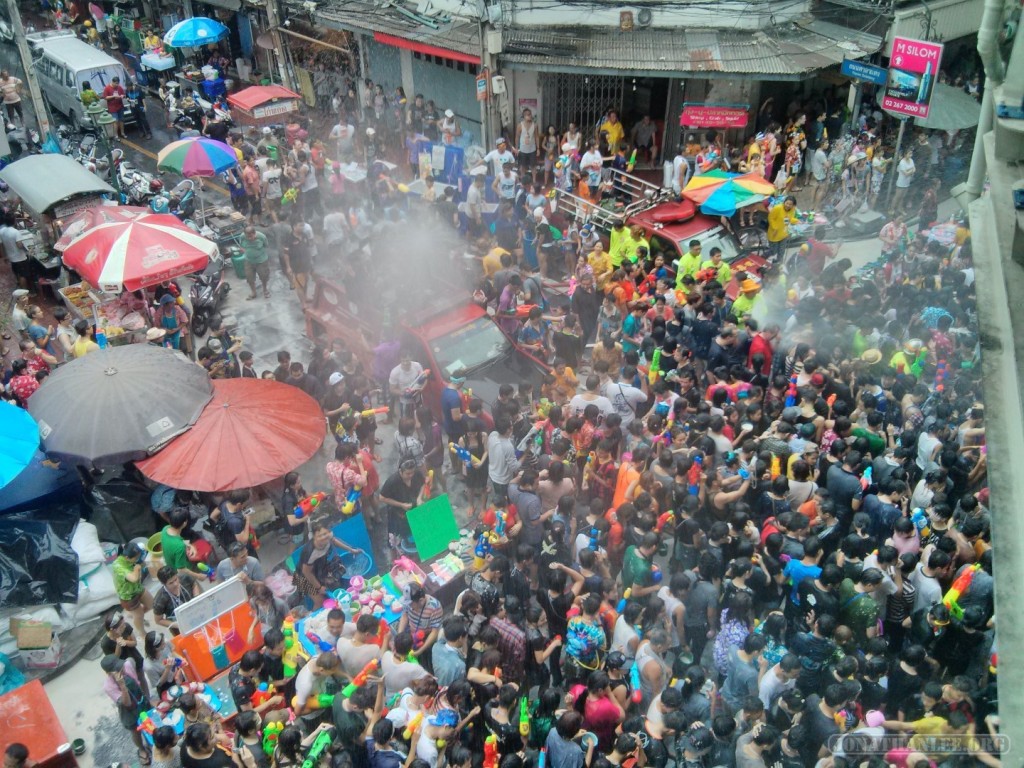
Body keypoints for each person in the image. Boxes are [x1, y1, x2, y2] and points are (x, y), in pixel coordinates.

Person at [101, 654, 153, 766]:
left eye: (121, 666)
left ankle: (152, 742)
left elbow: (137, 683)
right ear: (109, 673)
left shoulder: (127, 665)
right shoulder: (108, 686)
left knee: (149, 721)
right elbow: (127, 703)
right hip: (128, 709)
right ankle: (141, 749)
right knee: (136, 730)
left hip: (140, 699)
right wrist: (122, 686)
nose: (122, 669)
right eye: (118, 670)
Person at [111, 541, 154, 640]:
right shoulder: (118, 566)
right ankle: (142, 633)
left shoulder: (131, 558)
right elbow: (133, 578)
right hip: (128, 595)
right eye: (136, 558)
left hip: (137, 588)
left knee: (152, 604)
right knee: (139, 615)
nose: (138, 559)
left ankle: (136, 617)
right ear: (127, 558)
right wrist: (137, 568)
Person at [240, 225, 271, 300]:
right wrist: (244, 250)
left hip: (261, 261)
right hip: (249, 260)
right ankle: (253, 292)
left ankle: (265, 290)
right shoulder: (242, 237)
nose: (249, 238)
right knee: (249, 277)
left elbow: (266, 245)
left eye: (251, 236)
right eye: (247, 237)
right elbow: (241, 245)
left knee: (264, 276)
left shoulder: (261, 237)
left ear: (254, 233)